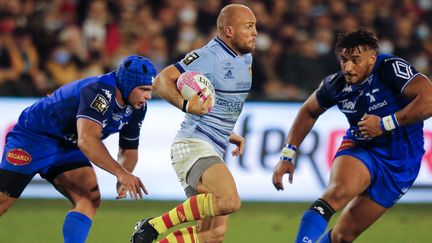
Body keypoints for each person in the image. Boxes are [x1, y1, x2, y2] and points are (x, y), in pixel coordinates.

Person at [272, 29, 432, 243]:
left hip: (402, 164)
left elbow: (428, 100)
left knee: (342, 236)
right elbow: (308, 111)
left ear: (372, 58)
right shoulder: (336, 84)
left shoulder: (389, 68)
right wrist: (286, 155)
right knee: (335, 194)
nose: (348, 67)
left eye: (355, 60)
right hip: (362, 148)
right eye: (344, 60)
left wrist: (386, 123)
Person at [130, 4, 257, 243]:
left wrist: (230, 133)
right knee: (229, 200)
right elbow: (161, 80)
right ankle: (153, 226)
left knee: (212, 235)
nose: (255, 32)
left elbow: (216, 107)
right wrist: (186, 105)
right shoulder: (209, 56)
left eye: (255, 26)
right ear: (228, 31)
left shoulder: (246, 58)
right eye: (249, 27)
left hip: (213, 144)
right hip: (193, 144)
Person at [0, 55, 156, 243]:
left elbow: (128, 149)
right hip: (33, 138)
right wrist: (121, 173)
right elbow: (87, 139)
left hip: (66, 144)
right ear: (129, 85)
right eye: (143, 90)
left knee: (89, 198)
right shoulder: (99, 91)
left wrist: (123, 176)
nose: (148, 96)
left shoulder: (137, 107)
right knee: (3, 201)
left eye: (150, 90)